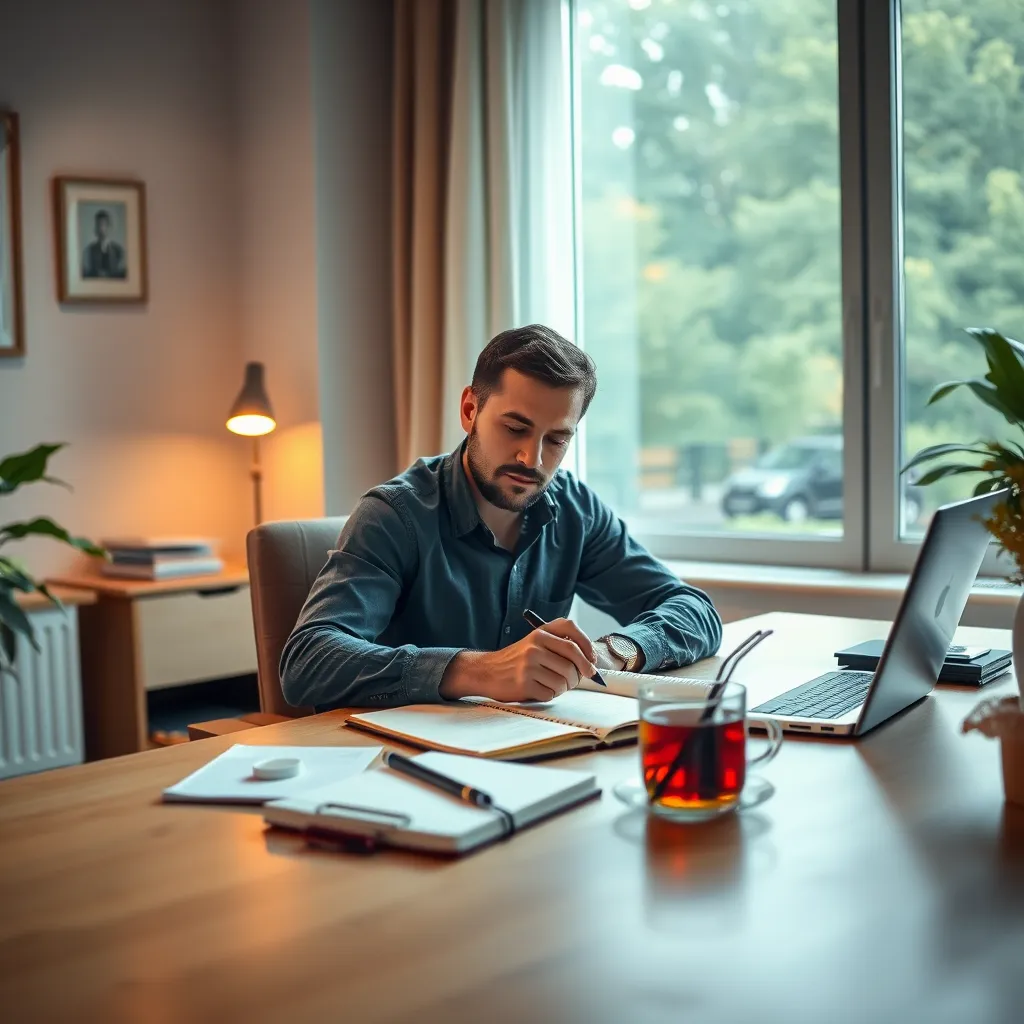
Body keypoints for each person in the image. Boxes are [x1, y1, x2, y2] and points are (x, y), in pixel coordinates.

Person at [281, 324, 722, 709]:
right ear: (470, 410)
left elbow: (695, 610)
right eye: (516, 428)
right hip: (406, 760)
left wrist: (614, 652)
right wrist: (479, 671)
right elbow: (308, 660)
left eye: (556, 440)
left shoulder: (575, 509)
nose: (531, 458)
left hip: (529, 746)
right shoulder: (394, 515)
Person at [81, 209, 126, 279]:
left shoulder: (118, 250)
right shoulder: (89, 250)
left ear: (109, 227)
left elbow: (122, 273)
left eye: (103, 225)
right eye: (98, 225)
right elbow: (85, 274)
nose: (100, 228)